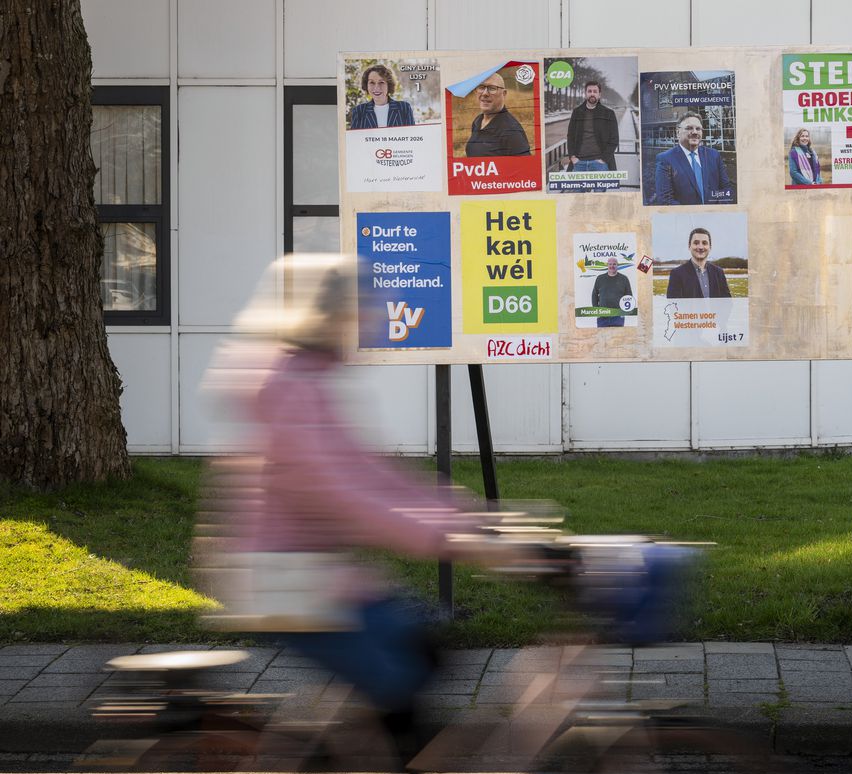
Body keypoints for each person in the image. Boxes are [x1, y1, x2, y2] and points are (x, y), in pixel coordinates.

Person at [201, 255, 524, 733]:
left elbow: (369, 471)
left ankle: (343, 749)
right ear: (325, 316)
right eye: (360, 310)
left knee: (424, 651)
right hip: (282, 578)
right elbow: (337, 494)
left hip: (315, 571)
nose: (367, 321)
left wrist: (464, 514)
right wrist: (444, 538)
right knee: (401, 680)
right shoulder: (288, 389)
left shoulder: (311, 380)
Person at [652, 113, 733, 204]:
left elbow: (726, 189)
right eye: (689, 128)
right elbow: (665, 200)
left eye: (698, 129)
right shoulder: (665, 159)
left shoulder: (714, 155)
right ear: (678, 132)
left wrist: (718, 211)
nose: (695, 132)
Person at [465, 71, 531, 157]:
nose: (485, 93)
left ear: (504, 94)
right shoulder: (477, 121)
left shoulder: (512, 131)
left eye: (492, 88)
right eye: (481, 87)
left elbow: (525, 168)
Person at [564, 81, 620, 176]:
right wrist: (572, 157)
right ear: (585, 94)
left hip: (599, 164)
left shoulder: (609, 113)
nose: (592, 94)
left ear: (599, 95)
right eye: (589, 91)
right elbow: (571, 136)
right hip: (579, 163)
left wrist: (603, 159)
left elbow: (614, 139)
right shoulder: (577, 112)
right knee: (577, 191)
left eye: (595, 91)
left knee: (599, 190)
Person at [665, 228, 730, 299]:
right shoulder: (677, 274)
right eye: (696, 243)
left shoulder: (719, 272)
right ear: (689, 246)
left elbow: (727, 303)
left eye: (704, 243)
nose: (700, 247)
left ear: (710, 247)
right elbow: (674, 306)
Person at [348, 64, 414, 130]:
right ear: (366, 85)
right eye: (372, 82)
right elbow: (355, 139)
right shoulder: (359, 111)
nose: (377, 87)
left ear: (389, 84)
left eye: (381, 82)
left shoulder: (404, 108)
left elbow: (413, 137)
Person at [590, 256, 633, 327]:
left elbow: (629, 296)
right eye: (610, 264)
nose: (612, 266)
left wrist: (624, 312)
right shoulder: (600, 278)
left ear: (617, 265)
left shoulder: (624, 279)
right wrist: (596, 311)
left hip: (618, 316)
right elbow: (594, 295)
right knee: (602, 337)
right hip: (602, 315)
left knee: (617, 337)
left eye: (614, 264)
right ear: (607, 265)